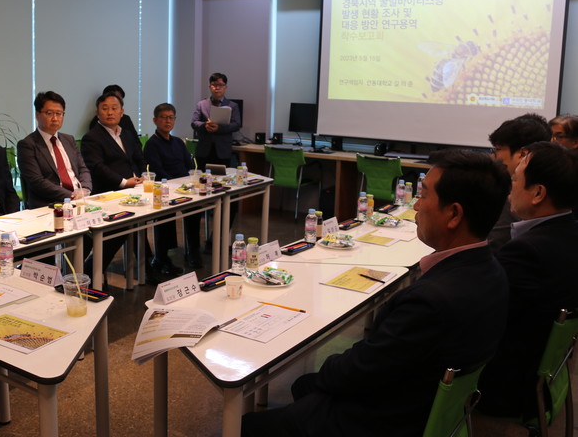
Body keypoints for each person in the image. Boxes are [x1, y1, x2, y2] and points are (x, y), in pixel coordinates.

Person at [241, 149, 510, 437]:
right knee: (306, 384)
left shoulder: (431, 301)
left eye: (424, 196)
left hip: (384, 419)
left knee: (248, 425)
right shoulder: (493, 273)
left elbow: (361, 371)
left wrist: (330, 369)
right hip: (430, 405)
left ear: (454, 214)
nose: (416, 205)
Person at [478, 141, 578, 418]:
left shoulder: (527, 251)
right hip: (545, 374)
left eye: (514, 180)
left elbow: (483, 316)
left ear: (538, 193)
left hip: (507, 386)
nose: (509, 190)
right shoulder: (569, 233)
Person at [81, 92, 148, 276]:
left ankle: (150, 266)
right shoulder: (92, 137)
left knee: (147, 218)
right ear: (97, 113)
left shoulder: (126, 134)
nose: (110, 112)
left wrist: (144, 176)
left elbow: (139, 158)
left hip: (136, 191)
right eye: (105, 109)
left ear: (122, 112)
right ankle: (90, 272)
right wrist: (124, 182)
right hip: (109, 193)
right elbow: (97, 167)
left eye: (114, 108)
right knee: (121, 228)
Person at [143, 103, 203, 275]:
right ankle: (161, 258)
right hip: (166, 190)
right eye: (163, 117)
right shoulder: (152, 144)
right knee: (165, 213)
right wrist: (176, 186)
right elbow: (158, 171)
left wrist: (188, 185)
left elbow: (189, 166)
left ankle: (193, 251)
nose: (168, 121)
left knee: (196, 208)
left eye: (171, 117)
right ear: (155, 120)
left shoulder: (178, 142)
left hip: (184, 189)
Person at [487, 112, 551, 253]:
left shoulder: (517, 191)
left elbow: (496, 243)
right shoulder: (553, 182)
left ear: (522, 154)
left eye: (497, 150)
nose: (493, 156)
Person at [17, 91, 92, 209]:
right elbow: (37, 182)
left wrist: (85, 189)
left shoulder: (69, 140)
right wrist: (71, 195)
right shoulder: (27, 145)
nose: (55, 118)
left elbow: (83, 169)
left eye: (59, 113)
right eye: (49, 113)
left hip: (80, 200)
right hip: (51, 204)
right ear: (37, 115)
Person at [191, 72, 241, 169]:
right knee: (202, 177)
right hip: (204, 150)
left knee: (222, 177)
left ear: (225, 87)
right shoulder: (201, 104)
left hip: (223, 151)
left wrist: (219, 128)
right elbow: (194, 122)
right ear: (210, 87)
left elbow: (236, 124)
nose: (217, 88)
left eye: (220, 85)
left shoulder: (233, 105)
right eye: (214, 85)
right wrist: (205, 125)